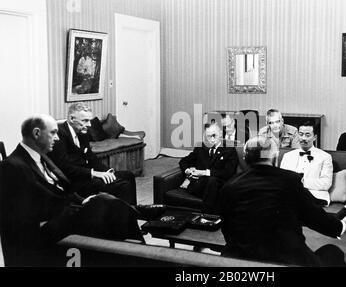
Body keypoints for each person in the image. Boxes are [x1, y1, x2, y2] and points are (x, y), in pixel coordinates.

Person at [0, 115, 164, 266]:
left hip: (66, 213)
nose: (57, 138)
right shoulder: (13, 165)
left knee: (109, 205)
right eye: (53, 133)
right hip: (48, 230)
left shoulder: (41, 156)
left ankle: (135, 253)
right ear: (36, 133)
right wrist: (69, 211)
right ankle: (141, 249)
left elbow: (61, 187)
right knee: (106, 203)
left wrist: (81, 201)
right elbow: (18, 219)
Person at [219, 136, 346, 266]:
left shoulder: (230, 185)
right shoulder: (290, 180)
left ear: (245, 157)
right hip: (285, 260)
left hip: (239, 260)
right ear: (275, 157)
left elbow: (226, 228)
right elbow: (314, 216)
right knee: (333, 252)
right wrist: (342, 226)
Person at [48, 102, 137, 204]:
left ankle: (133, 212)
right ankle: (123, 217)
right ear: (72, 119)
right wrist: (94, 173)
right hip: (74, 182)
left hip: (86, 177)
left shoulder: (82, 133)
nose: (89, 125)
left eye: (89, 120)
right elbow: (64, 167)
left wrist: (108, 171)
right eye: (85, 121)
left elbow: (92, 158)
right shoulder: (59, 135)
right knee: (122, 185)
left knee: (128, 175)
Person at [179, 123, 238, 214]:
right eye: (208, 136)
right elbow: (184, 161)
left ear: (221, 133)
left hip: (217, 185)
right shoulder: (201, 147)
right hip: (199, 186)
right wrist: (188, 171)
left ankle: (206, 215)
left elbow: (228, 172)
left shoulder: (229, 149)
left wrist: (203, 172)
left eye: (214, 135)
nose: (211, 139)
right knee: (210, 181)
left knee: (212, 180)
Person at [280, 121, 333, 205]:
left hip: (315, 197)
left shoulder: (325, 157)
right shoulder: (287, 156)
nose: (303, 138)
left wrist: (302, 182)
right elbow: (281, 180)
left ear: (315, 137)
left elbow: (326, 183)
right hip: (291, 195)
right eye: (301, 134)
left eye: (307, 135)